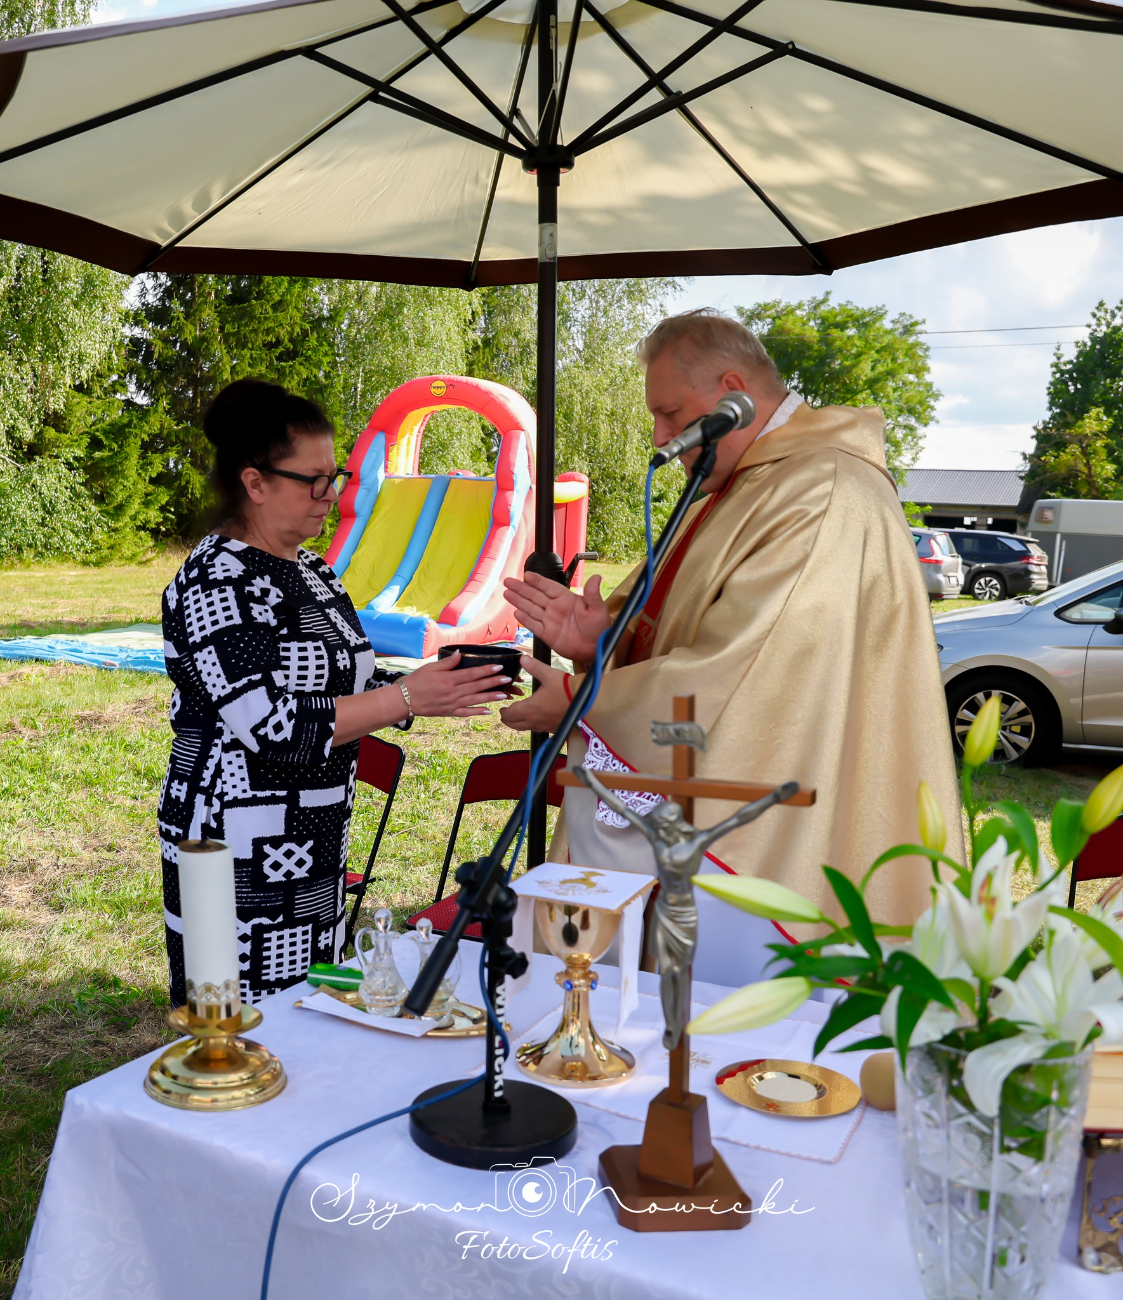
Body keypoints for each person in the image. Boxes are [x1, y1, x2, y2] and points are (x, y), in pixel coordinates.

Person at [500, 309, 961, 930]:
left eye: (671, 414)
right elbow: (688, 633)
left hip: (769, 836)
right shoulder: (739, 482)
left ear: (734, 395)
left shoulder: (821, 490)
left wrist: (587, 703)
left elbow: (749, 679)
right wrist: (602, 641)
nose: (662, 437)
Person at [158, 379, 511, 1006]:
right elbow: (271, 726)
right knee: (235, 1018)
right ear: (255, 481)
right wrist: (407, 700)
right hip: (232, 837)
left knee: (305, 1006)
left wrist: (431, 682)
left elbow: (342, 678)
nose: (333, 497)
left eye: (337, 476)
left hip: (310, 831)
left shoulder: (313, 569)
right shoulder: (217, 579)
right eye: (312, 480)